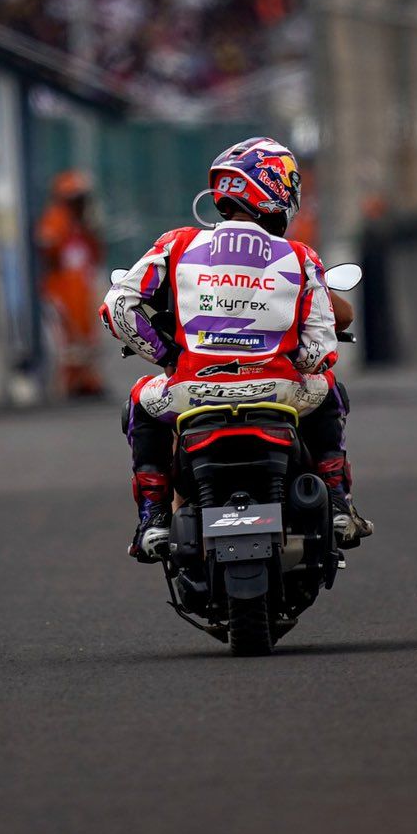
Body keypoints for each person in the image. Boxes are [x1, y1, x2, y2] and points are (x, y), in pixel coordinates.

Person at [103, 137, 373, 561]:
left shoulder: (178, 244)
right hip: (278, 391)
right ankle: (339, 503)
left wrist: (167, 357)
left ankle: (153, 517)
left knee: (140, 398)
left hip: (192, 391)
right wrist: (293, 362)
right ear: (275, 190)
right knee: (328, 388)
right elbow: (320, 348)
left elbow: (118, 305)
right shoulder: (298, 255)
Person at [36, 170, 107, 399]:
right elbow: (47, 248)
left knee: (87, 334)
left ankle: (87, 378)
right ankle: (70, 380)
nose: (80, 204)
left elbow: (96, 254)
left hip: (82, 285)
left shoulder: (84, 223)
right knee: (66, 336)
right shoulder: (56, 219)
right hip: (62, 286)